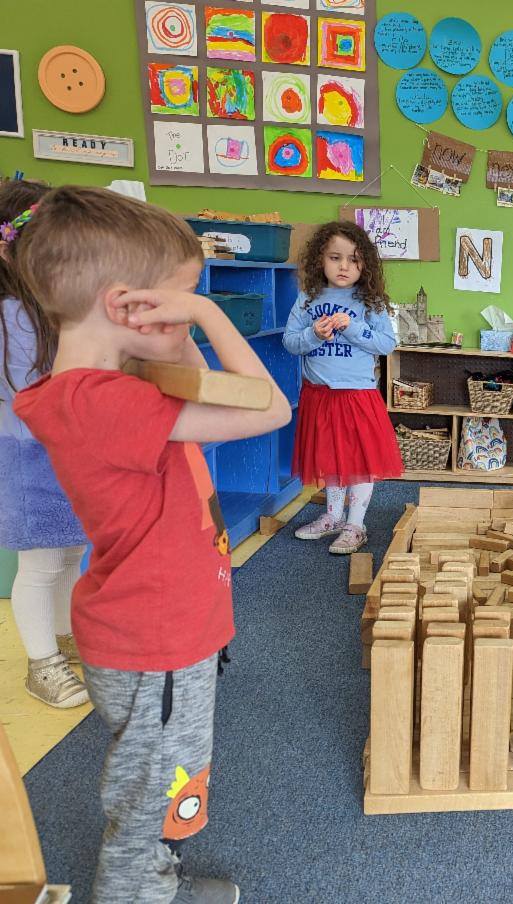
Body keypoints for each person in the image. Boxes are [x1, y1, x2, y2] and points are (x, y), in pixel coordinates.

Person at [13, 185, 292, 904]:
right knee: (153, 789)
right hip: (155, 638)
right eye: (180, 299)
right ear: (125, 306)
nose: (188, 311)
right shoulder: (104, 402)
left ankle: (154, 875)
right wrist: (208, 316)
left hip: (157, 627)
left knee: (163, 776)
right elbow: (270, 407)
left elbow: (203, 386)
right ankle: (138, 890)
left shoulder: (103, 386)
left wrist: (180, 328)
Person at [0, 179, 89, 709]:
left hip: (69, 450)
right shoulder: (10, 312)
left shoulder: (51, 305)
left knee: (71, 549)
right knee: (40, 563)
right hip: (26, 454)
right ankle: (41, 663)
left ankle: (64, 635)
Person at [283, 221, 402, 554]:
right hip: (319, 395)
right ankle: (333, 517)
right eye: (335, 258)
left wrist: (354, 328)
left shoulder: (370, 301)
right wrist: (313, 335)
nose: (344, 266)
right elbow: (290, 342)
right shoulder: (308, 299)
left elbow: (386, 344)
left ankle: (356, 524)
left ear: (365, 264)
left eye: (353, 259)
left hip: (356, 395)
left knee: (359, 461)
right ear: (320, 259)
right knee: (330, 459)